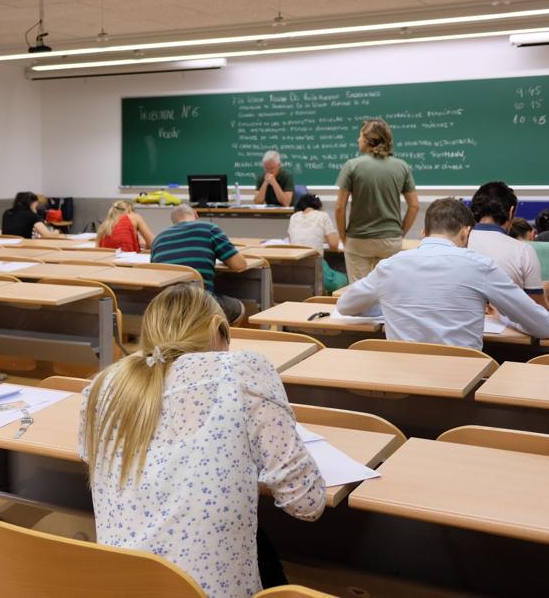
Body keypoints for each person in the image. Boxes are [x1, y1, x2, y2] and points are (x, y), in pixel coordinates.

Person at [79, 284, 324, 598]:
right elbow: (307, 503)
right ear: (216, 330)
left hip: (126, 586)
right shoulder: (243, 371)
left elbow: (98, 462)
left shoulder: (103, 385)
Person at [336, 197, 549, 350]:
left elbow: (345, 306)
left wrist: (389, 304)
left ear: (423, 233)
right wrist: (505, 316)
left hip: (400, 385)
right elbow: (545, 327)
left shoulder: (389, 266)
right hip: (463, 385)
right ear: (466, 232)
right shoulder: (481, 266)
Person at [334, 119, 420, 283]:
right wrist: (400, 233)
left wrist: (344, 237)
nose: (357, 140)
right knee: (387, 292)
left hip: (358, 240)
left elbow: (339, 207)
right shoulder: (402, 167)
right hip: (390, 240)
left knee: (360, 293)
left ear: (368, 140)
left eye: (360, 136)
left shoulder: (352, 166)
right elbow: (414, 206)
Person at [150, 204, 247, 323]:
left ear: (174, 222)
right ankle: (219, 340)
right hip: (201, 305)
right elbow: (239, 265)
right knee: (239, 309)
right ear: (196, 214)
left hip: (168, 306)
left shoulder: (158, 239)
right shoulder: (209, 229)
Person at [467, 181, 549, 312]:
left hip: (462, 327)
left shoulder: (457, 244)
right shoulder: (524, 251)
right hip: (508, 329)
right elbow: (539, 312)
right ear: (511, 211)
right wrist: (546, 292)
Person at [287, 193, 348, 293]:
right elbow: (334, 245)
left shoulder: (294, 217)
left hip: (296, 270)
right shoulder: (322, 215)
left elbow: (292, 241)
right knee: (345, 277)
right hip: (316, 268)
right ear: (318, 206)